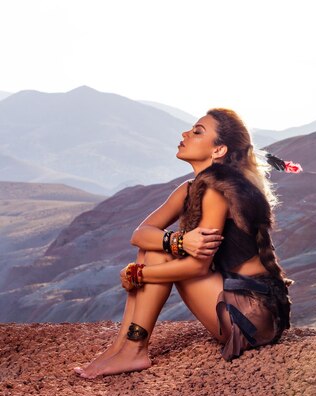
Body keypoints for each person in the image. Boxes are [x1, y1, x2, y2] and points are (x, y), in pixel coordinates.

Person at [73, 108, 300, 379]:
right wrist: (179, 240)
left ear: (218, 150)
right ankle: (122, 346)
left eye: (197, 132)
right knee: (153, 248)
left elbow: (197, 268)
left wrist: (138, 273)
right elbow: (140, 234)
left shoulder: (218, 190)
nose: (185, 134)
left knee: (157, 255)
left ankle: (133, 350)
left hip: (251, 314)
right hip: (236, 299)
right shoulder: (191, 188)